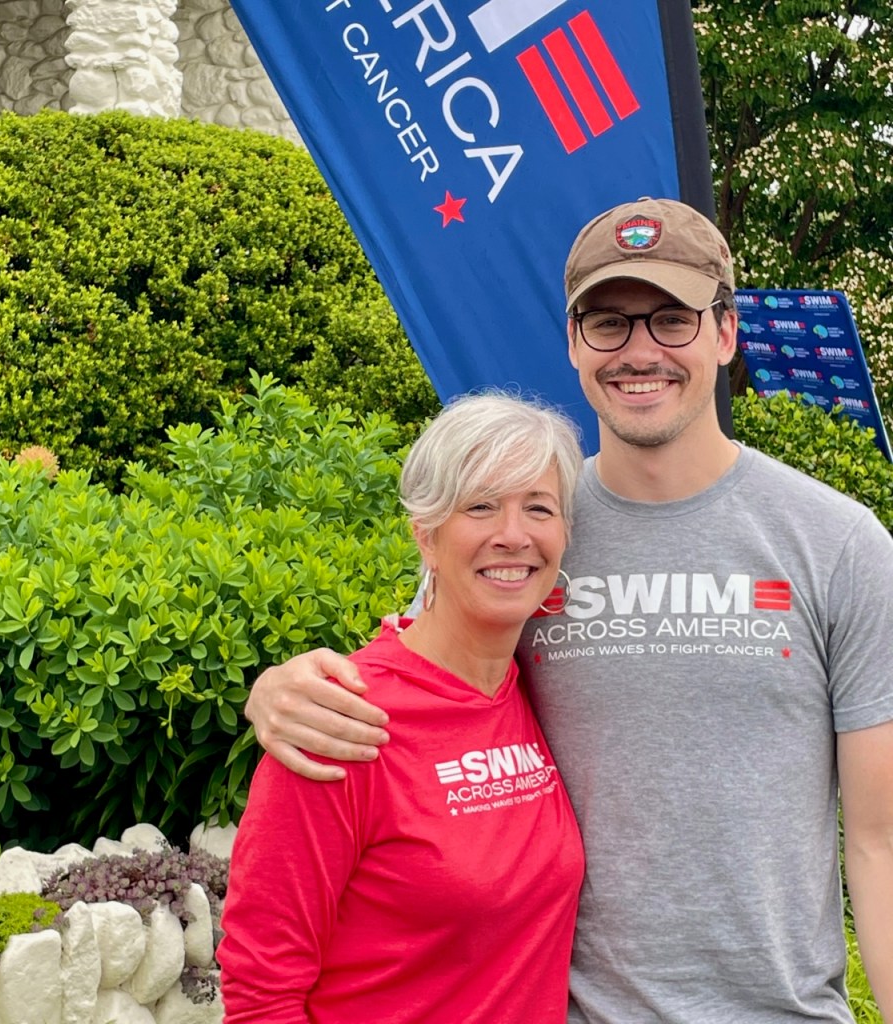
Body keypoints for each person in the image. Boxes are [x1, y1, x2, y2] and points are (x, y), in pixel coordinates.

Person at [244, 197, 893, 1023]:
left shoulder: (839, 544)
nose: (640, 352)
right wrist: (277, 691)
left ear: (726, 332)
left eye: (672, 319)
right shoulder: (530, 530)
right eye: (608, 324)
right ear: (574, 344)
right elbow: (420, 678)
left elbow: (880, 841)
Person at [217, 392, 587, 1023]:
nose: (513, 535)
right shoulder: (340, 719)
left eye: (538, 507)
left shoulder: (542, 683)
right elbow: (261, 994)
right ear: (426, 535)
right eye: (480, 506)